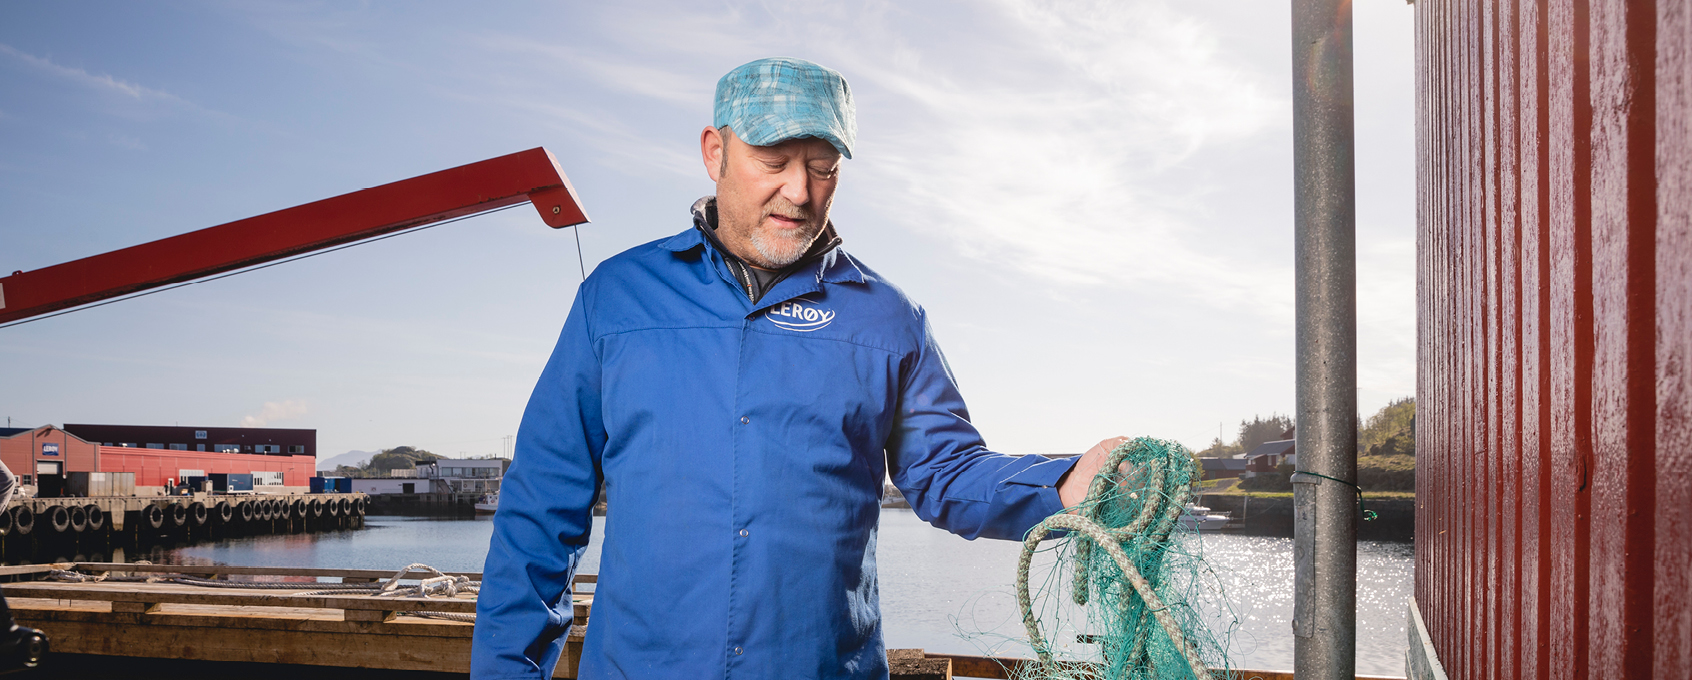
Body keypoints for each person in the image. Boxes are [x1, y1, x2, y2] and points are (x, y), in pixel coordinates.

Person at [472, 57, 1125, 679]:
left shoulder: (891, 319)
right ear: (715, 152)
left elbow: (947, 472)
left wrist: (1065, 484)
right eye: (773, 161)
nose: (800, 191)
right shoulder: (614, 299)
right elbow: (540, 514)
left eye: (822, 168)